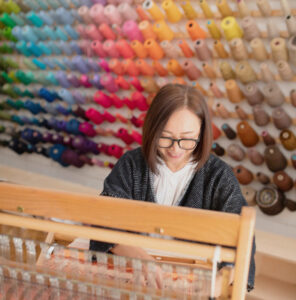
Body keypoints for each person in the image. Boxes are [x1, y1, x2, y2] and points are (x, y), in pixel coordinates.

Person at [90, 83, 255, 291]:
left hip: (192, 285)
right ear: (152, 128)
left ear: (201, 133)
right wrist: (140, 258)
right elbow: (103, 220)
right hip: (132, 277)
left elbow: (241, 236)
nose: (175, 148)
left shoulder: (218, 176)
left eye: (187, 139)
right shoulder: (131, 165)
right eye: (165, 137)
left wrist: (220, 280)